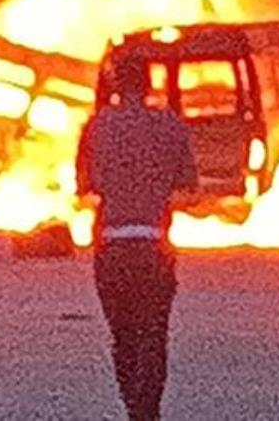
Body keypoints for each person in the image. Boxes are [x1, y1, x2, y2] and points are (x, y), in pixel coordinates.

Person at [76, 56, 198, 421]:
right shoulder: (171, 125)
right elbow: (188, 184)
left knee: (123, 335)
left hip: (113, 244)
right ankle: (149, 412)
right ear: (149, 85)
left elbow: (85, 185)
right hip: (153, 245)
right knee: (154, 334)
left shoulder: (97, 127)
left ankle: (133, 406)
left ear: (115, 85)